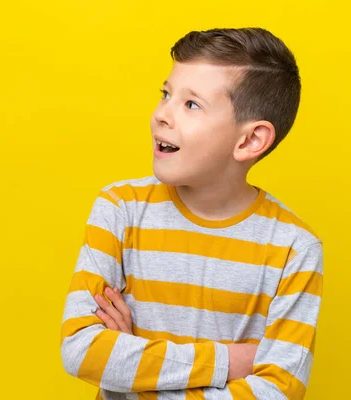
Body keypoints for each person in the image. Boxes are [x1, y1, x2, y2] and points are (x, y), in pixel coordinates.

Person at [60, 27, 323, 400]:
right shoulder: (120, 209)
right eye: (165, 94)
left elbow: (277, 392)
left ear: (249, 140)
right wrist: (229, 362)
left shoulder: (295, 250)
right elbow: (82, 351)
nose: (162, 115)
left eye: (191, 104)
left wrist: (134, 367)